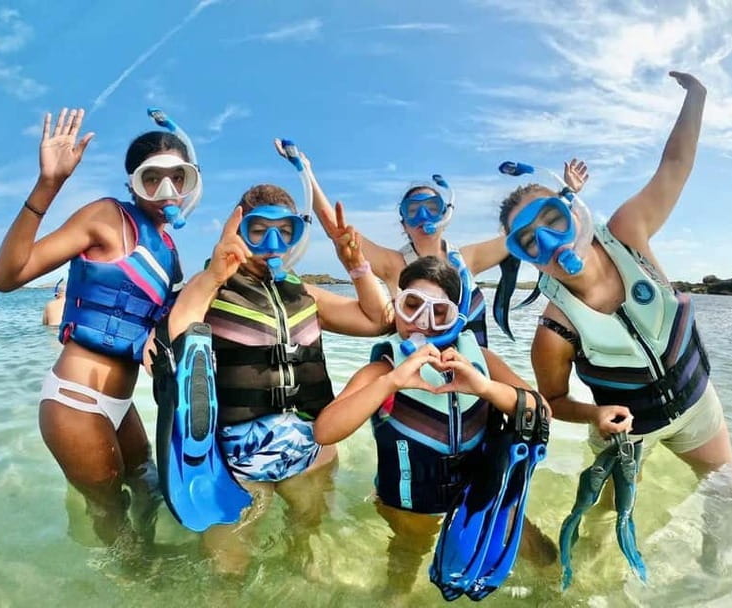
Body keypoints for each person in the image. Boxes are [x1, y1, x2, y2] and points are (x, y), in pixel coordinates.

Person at [495, 71, 732, 571]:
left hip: (695, 407)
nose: (550, 245)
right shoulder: (554, 329)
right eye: (529, 242)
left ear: (571, 213)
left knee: (728, 493)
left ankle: (715, 583)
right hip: (625, 433)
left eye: (552, 222)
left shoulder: (628, 234)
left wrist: (697, 97)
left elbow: (675, 165)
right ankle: (577, 585)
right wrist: (594, 416)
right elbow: (555, 402)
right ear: (525, 257)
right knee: (605, 519)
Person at [156, 183, 392, 577]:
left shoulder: (305, 294)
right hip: (240, 461)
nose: (272, 242)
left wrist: (356, 266)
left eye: (285, 232)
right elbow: (177, 333)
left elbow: (377, 320)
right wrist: (214, 275)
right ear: (237, 229)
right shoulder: (214, 290)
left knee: (309, 549)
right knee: (229, 570)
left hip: (312, 453)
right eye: (258, 230)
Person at [0, 107, 200, 547]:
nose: (166, 190)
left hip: (121, 405)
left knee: (150, 489)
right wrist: (49, 185)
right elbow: (6, 278)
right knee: (110, 513)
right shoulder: (107, 217)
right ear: (132, 183)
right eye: (152, 178)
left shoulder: (167, 248)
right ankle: (130, 581)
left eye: (177, 178)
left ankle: (154, 569)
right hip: (76, 401)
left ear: (189, 183)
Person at [313, 256, 557, 598]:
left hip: (479, 494)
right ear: (396, 308)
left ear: (456, 318)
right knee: (402, 576)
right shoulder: (382, 372)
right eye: (411, 306)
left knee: (541, 556)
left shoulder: (481, 361)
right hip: (409, 505)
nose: (422, 323)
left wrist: (485, 388)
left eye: (438, 312)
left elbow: (541, 410)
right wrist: (392, 382)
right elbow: (325, 431)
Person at [275, 140, 590, 347]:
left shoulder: (468, 258)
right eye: (412, 211)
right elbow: (337, 228)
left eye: (431, 207)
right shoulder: (394, 264)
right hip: (418, 375)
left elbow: (529, 232)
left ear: (446, 214)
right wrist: (307, 173)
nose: (423, 215)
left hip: (473, 377)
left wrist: (567, 196)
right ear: (403, 224)